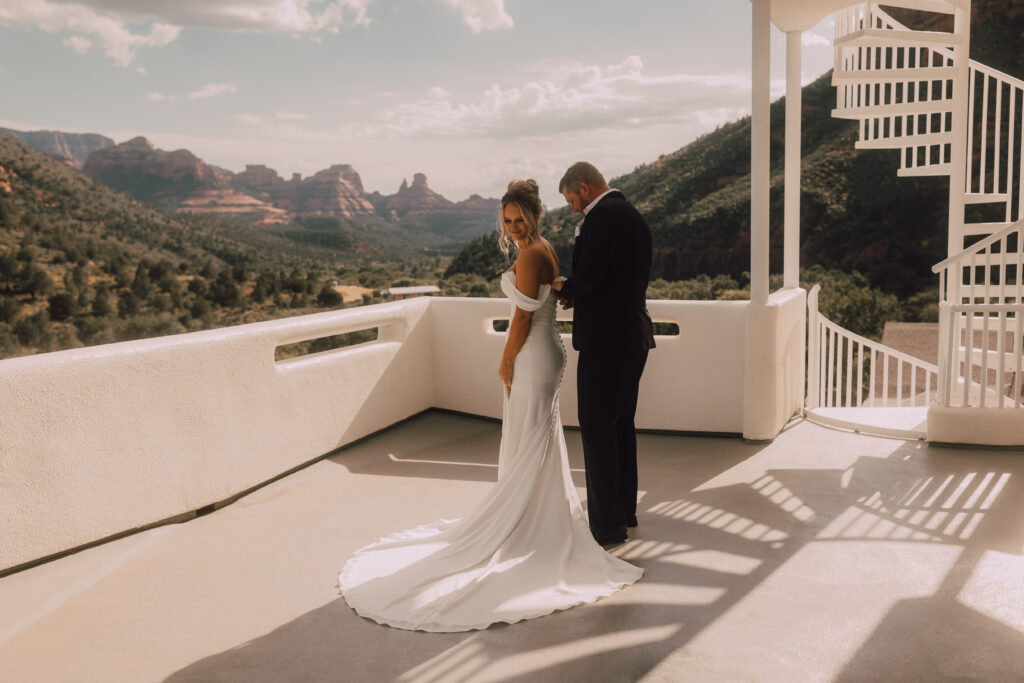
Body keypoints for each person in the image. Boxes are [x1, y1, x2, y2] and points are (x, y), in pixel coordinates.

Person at [338, 179, 642, 632]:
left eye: (520, 219)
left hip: (533, 353)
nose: (514, 227)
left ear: (536, 215)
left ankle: (527, 526)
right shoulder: (546, 248)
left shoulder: (529, 254)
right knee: (533, 440)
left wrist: (504, 360)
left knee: (526, 439)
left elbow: (521, 316)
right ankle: (538, 520)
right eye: (507, 221)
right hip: (547, 350)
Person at [551, 162, 655, 548]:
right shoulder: (632, 216)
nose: (575, 209)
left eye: (573, 200)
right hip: (633, 336)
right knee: (620, 426)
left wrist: (563, 286)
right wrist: (581, 292)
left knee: (595, 428)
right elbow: (615, 280)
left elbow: (590, 276)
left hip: (606, 342)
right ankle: (624, 510)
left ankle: (607, 527)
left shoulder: (602, 217)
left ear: (584, 188)